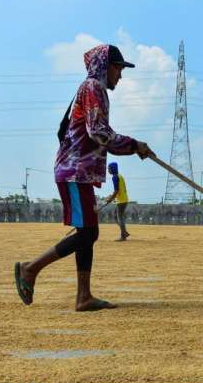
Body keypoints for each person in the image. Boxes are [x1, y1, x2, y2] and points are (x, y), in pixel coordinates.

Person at [14, 44, 153, 311]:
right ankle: (30, 268)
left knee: (88, 232)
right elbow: (99, 132)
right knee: (88, 233)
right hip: (74, 171)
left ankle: (83, 297)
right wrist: (135, 145)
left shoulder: (94, 90)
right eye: (118, 68)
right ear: (105, 66)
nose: (120, 76)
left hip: (80, 173)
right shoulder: (93, 88)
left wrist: (134, 147)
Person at [106, 162, 130, 241]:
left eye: (109, 168)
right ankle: (124, 232)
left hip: (121, 200)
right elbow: (118, 190)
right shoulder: (120, 176)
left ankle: (123, 236)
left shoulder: (115, 177)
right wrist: (112, 197)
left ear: (113, 169)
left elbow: (116, 190)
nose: (108, 170)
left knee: (119, 218)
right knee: (116, 216)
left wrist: (110, 199)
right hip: (123, 199)